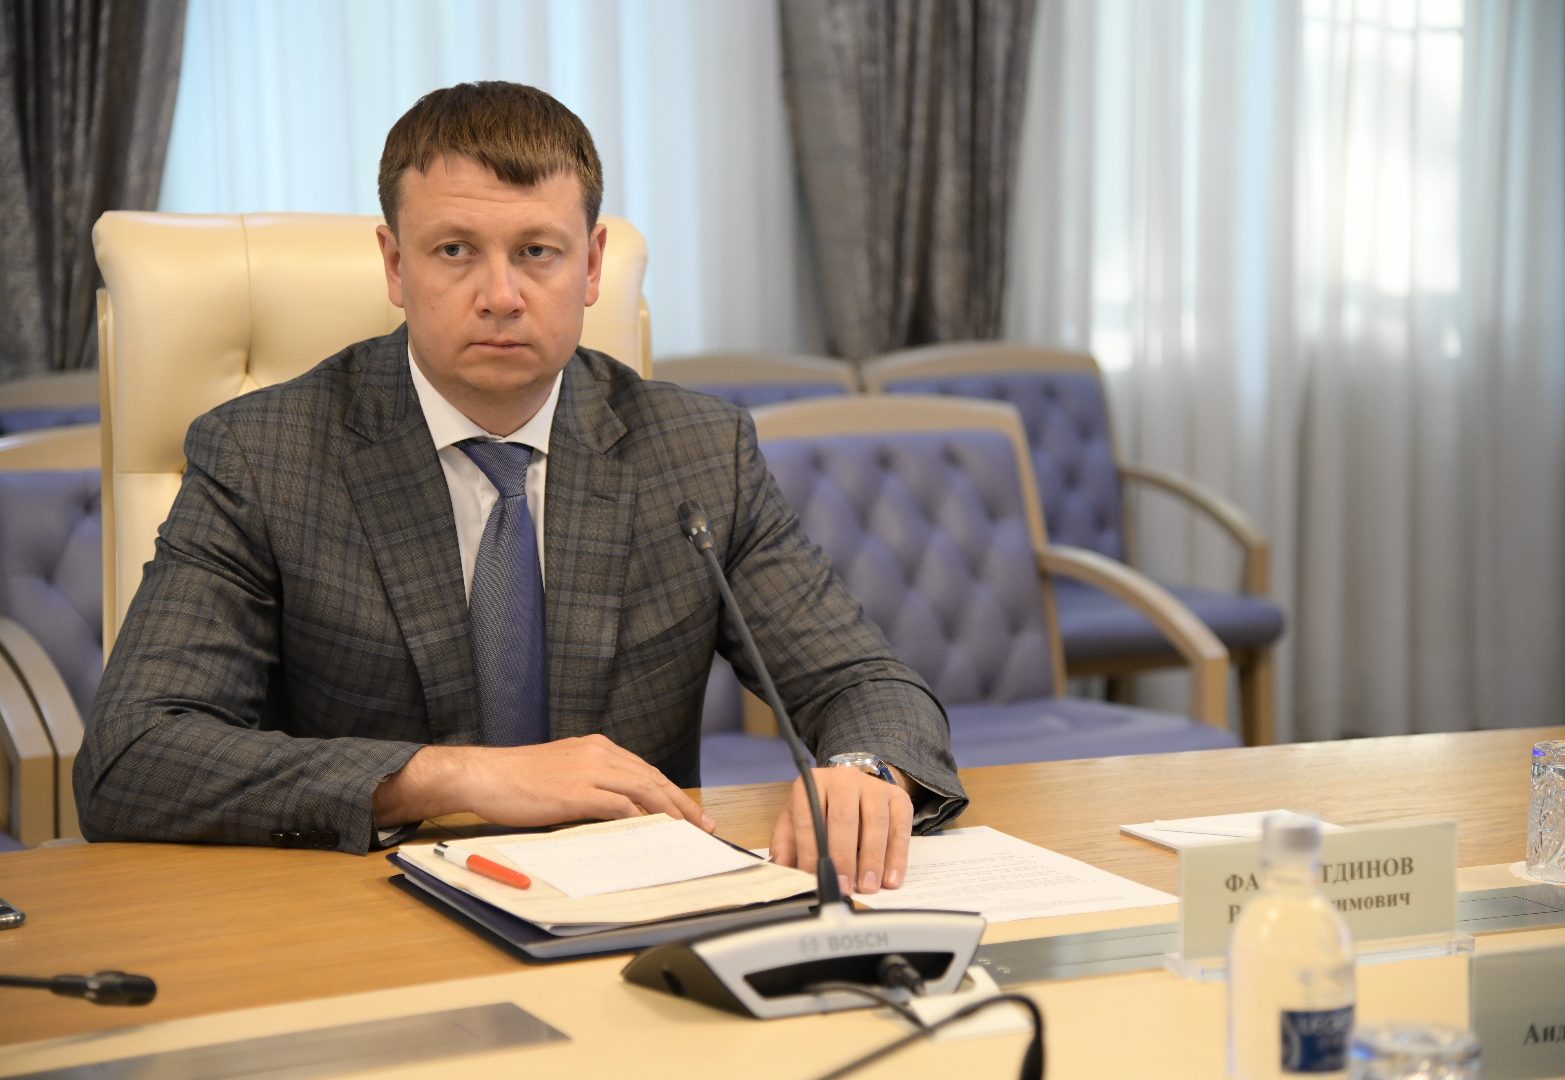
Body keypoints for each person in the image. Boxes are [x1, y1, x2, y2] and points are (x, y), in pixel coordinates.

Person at [74, 81, 965, 897]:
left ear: (591, 265)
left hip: (633, 917)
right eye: (455, 251)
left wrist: (867, 769)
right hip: (366, 916)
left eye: (538, 252)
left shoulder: (698, 452)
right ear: (395, 264)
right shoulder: (265, 455)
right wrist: (449, 775)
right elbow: (132, 755)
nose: (500, 295)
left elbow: (867, 683)